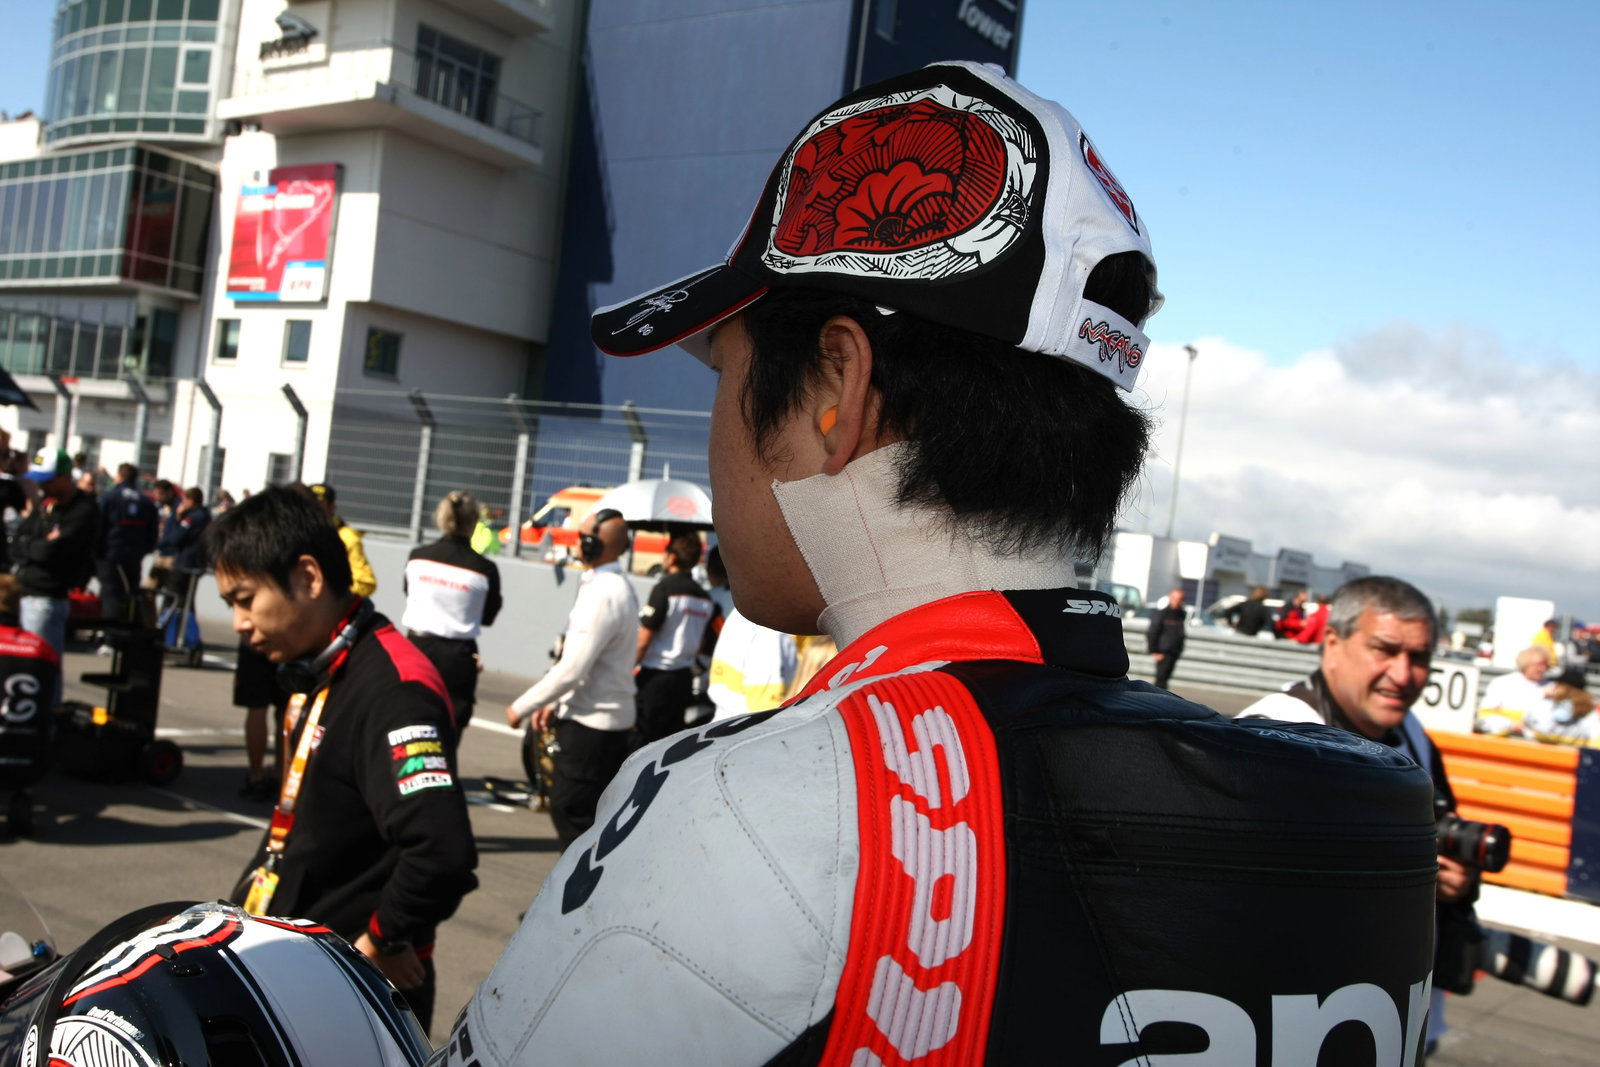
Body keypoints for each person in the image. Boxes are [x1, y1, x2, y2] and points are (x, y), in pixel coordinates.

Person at [442, 62, 1438, 1064]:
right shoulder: (1357, 820)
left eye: (724, 369)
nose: (712, 429)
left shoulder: (757, 810)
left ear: (837, 385)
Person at [204, 487, 477, 1032]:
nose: (238, 622)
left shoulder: (392, 690)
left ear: (307, 578)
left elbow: (441, 852)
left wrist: (382, 940)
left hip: (348, 993)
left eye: (244, 599)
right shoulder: (319, 660)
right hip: (295, 967)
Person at [1236, 575, 1470, 1053]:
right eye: (1385, 650)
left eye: (1420, 657)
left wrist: (1451, 879)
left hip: (1392, 1018)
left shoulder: (1413, 733)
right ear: (1333, 644)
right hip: (1292, 1025)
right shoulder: (1273, 735)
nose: (1403, 676)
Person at [504, 508, 636, 847]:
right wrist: (557, 704)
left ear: (594, 545)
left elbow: (573, 668)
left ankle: (581, 896)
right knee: (586, 815)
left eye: (583, 537)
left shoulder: (603, 592)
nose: (577, 543)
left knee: (570, 811)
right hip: (601, 721)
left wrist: (522, 706)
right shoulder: (608, 585)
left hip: (592, 726)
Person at [403, 490, 503, 737]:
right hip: (458, 657)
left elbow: (409, 593)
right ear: (474, 521)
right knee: (449, 729)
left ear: (442, 518)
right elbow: (488, 616)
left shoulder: (417, 557)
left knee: (408, 721)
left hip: (416, 648)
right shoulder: (484, 569)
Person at [11, 449, 99, 680]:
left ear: (64, 477)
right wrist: (35, 544)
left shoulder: (83, 509)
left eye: (48, 481)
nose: (43, 487)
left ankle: (48, 712)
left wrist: (34, 545)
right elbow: (19, 540)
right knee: (21, 664)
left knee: (40, 667)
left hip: (47, 597)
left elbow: (50, 551)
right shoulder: (46, 503)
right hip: (26, 593)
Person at [633, 530, 715, 745]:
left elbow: (644, 638)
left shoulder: (665, 588)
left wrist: (625, 670)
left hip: (655, 678)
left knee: (642, 741)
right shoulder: (704, 597)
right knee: (667, 743)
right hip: (683, 681)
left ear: (672, 556)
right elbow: (703, 644)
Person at [94, 462, 160, 625]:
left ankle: (109, 636)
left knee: (110, 592)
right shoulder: (146, 502)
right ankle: (130, 627)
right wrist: (145, 549)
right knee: (132, 591)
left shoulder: (109, 497)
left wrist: (96, 550)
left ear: (119, 476)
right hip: (134, 555)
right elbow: (153, 532)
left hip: (111, 553)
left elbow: (99, 525)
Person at [309, 483, 377, 596]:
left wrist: (331, 595)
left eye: (319, 504)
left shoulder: (345, 536)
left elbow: (366, 583)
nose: (313, 509)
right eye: (309, 504)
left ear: (332, 507)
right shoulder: (295, 533)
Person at [1476, 646, 1555, 736]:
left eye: (1545, 665)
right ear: (1525, 664)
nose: (1542, 669)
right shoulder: (1503, 683)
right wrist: (1510, 725)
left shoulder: (1552, 688)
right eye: (1538, 665)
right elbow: (1484, 716)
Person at [1521, 666, 1598, 746]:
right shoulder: (1590, 710)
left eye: (1558, 684)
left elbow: (1537, 727)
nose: (1554, 686)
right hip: (1570, 753)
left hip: (1548, 752)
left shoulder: (1548, 704)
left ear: (1565, 687)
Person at [1145, 586, 1187, 689]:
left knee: (1165, 678)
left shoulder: (1181, 614)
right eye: (1175, 598)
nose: (1177, 601)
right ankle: (1157, 701)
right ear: (1170, 598)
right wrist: (1154, 651)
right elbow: (1152, 631)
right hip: (1163, 651)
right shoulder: (1162, 613)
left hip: (1174, 651)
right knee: (1161, 680)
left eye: (1179, 599)